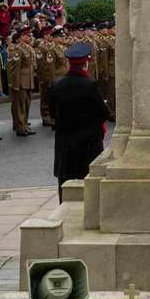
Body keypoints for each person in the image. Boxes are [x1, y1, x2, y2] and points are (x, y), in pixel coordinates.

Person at [50, 42, 110, 200]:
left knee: (65, 185)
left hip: (66, 144)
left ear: (69, 63)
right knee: (89, 187)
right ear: (86, 63)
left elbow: (52, 113)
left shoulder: (57, 85)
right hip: (88, 144)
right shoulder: (90, 85)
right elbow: (104, 113)